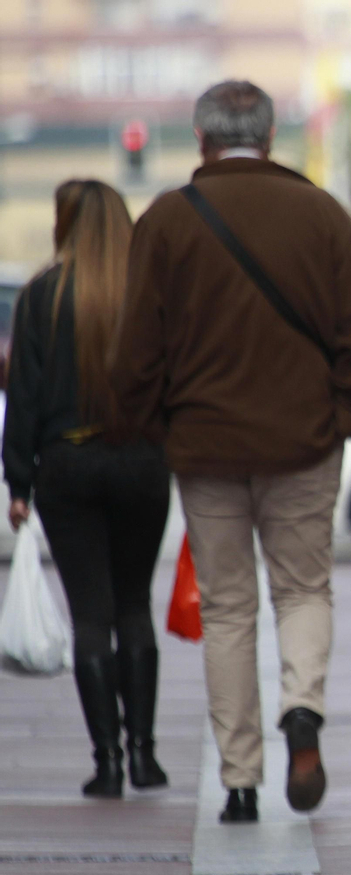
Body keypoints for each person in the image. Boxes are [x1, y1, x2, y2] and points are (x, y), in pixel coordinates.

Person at [110, 81, 351, 823]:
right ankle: (302, 710)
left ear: (203, 141)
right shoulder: (322, 215)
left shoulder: (167, 219)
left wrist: (153, 429)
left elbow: (136, 351)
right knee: (302, 589)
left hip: (204, 448)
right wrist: (339, 421)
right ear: (268, 139)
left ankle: (239, 779)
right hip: (303, 444)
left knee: (229, 608)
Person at [2, 180, 171, 798]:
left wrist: (18, 479)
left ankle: (106, 763)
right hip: (140, 460)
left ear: (65, 222)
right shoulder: (148, 291)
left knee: (90, 616)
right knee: (134, 606)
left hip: (67, 466)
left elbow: (22, 396)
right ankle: (146, 755)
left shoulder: (42, 295)